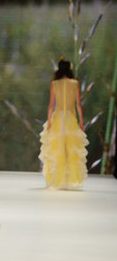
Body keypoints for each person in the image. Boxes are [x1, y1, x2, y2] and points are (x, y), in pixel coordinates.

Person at [39, 58, 88, 189]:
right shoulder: (75, 83)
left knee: (57, 148)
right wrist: (81, 121)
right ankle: (68, 179)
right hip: (70, 119)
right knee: (71, 149)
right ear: (70, 69)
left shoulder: (54, 84)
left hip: (58, 119)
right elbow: (78, 105)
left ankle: (58, 179)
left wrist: (49, 121)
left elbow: (51, 105)